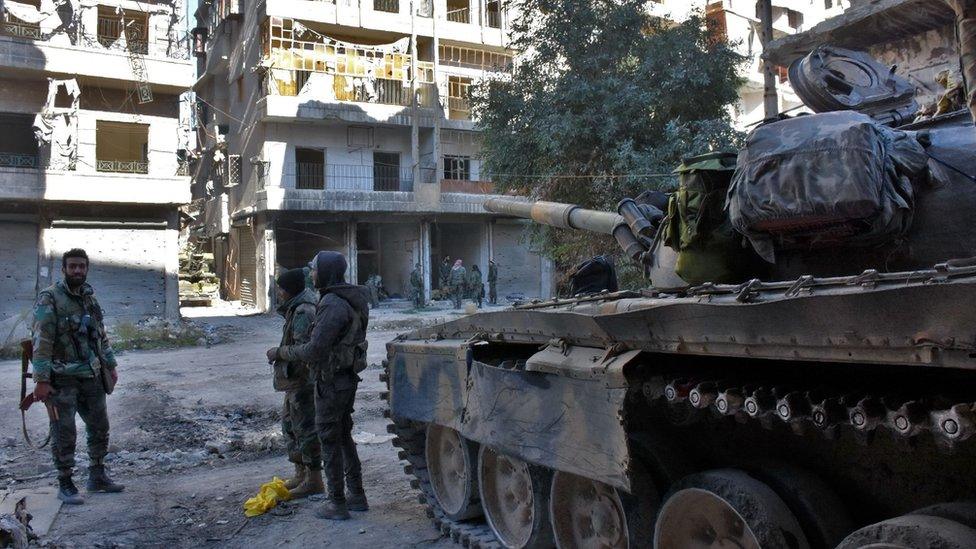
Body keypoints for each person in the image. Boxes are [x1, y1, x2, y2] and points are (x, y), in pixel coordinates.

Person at [267, 251, 370, 520]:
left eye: (314, 269)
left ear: (326, 272)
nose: (311, 275)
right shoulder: (352, 299)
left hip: (331, 381)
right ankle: (356, 495)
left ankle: (336, 503)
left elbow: (314, 350)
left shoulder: (333, 304)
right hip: (345, 378)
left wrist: (280, 353)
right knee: (344, 436)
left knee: (329, 440)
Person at [31, 248, 124, 505]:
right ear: (63, 269)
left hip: (91, 375)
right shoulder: (50, 298)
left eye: (82, 266)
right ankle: (66, 482)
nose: (77, 271)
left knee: (99, 427)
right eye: (72, 266)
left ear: (87, 269)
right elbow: (42, 340)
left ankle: (97, 476)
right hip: (62, 378)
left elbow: (100, 335)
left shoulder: (89, 298)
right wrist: (41, 380)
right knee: (64, 431)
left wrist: (111, 365)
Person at [272, 268, 322, 498]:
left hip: (304, 382)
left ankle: (313, 479)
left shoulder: (303, 311)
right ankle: (301, 473)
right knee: (291, 426)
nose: (278, 292)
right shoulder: (294, 308)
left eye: (281, 288)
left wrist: (278, 353)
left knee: (305, 430)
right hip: (294, 382)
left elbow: (304, 351)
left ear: (288, 290)